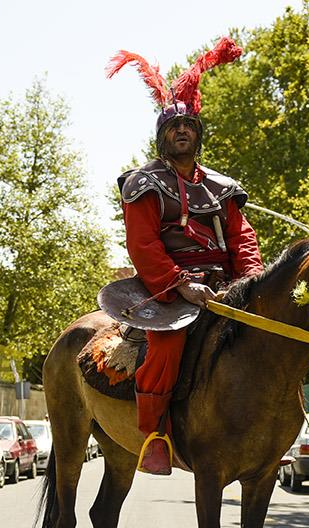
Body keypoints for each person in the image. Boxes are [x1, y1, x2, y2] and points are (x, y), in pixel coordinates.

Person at [108, 38, 262, 475]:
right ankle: (154, 434)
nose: (182, 131)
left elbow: (242, 236)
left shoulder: (222, 187)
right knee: (167, 345)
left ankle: (273, 427)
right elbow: (143, 246)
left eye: (189, 126)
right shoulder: (143, 183)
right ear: (162, 137)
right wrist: (180, 285)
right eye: (174, 127)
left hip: (227, 287)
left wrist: (251, 280)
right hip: (171, 290)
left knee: (272, 336)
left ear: (198, 133)